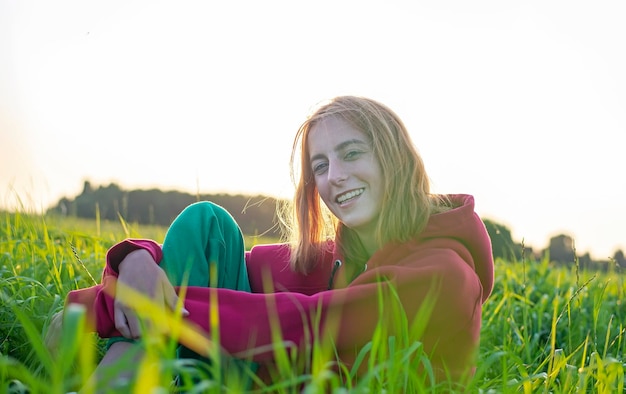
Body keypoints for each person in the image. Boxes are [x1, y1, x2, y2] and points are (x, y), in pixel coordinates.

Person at [51, 96, 494, 390]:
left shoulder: (446, 276)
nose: (334, 176)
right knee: (208, 222)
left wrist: (97, 309)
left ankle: (118, 369)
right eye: (320, 165)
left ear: (396, 158)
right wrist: (134, 263)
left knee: (147, 324)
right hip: (263, 376)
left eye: (352, 153)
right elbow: (205, 252)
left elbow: (306, 324)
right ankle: (131, 366)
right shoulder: (340, 256)